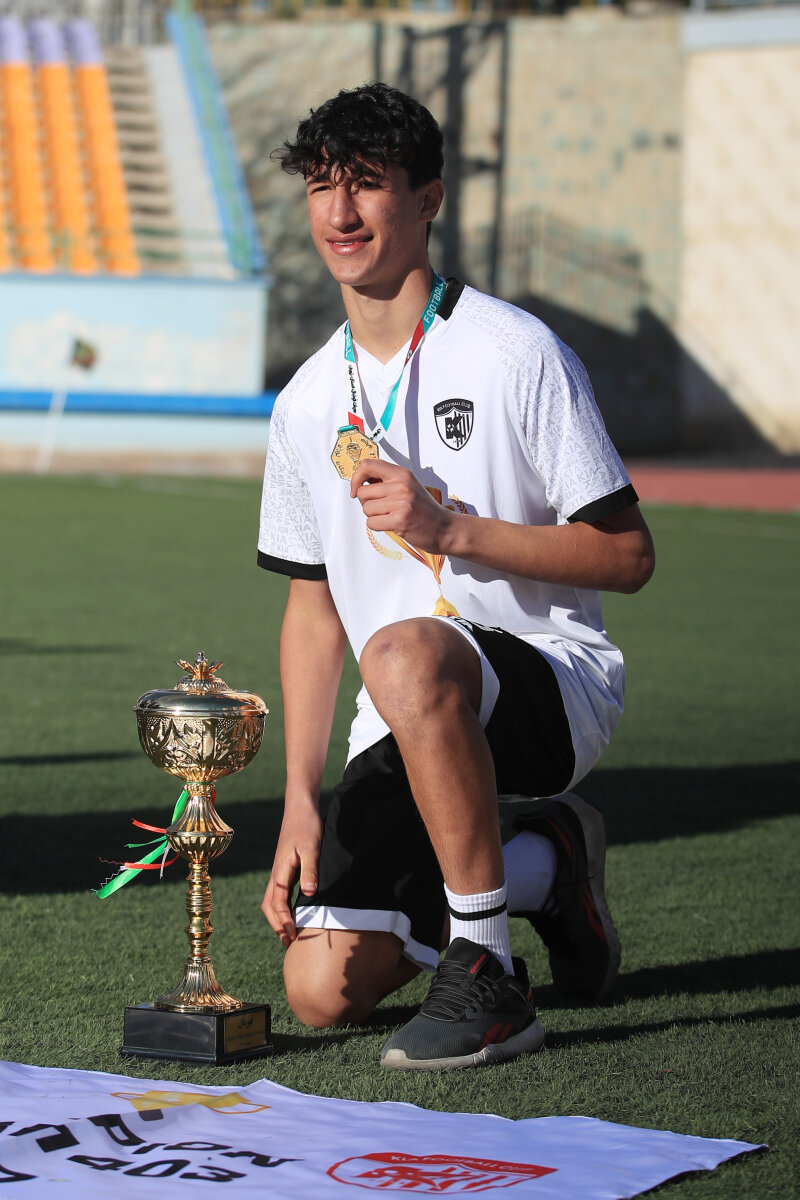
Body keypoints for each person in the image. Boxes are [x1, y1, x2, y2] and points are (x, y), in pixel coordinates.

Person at [258, 82, 655, 1071]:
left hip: (548, 677)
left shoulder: (516, 352)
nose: (340, 211)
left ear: (427, 199)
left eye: (366, 183)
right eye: (321, 186)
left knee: (403, 651)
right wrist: (299, 796)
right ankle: (545, 865)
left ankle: (487, 974)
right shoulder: (305, 402)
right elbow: (312, 607)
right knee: (319, 990)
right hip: (399, 713)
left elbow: (626, 555)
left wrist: (452, 530)